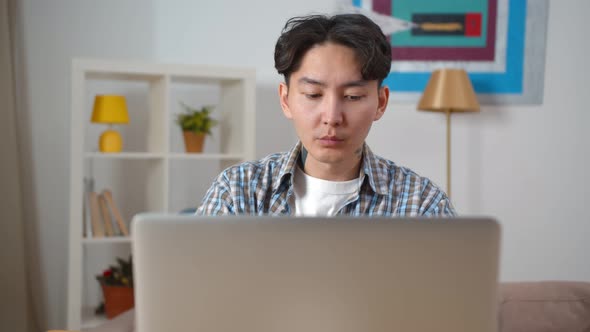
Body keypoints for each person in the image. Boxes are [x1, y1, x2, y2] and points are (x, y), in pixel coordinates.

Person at [197, 14, 455, 216]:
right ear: (285, 100)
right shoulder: (237, 191)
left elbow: (455, 284)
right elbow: (195, 281)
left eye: (352, 97)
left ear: (381, 102)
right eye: (313, 94)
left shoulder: (421, 203)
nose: (332, 117)